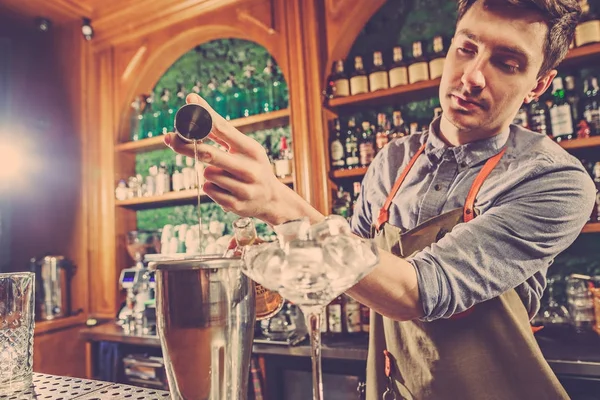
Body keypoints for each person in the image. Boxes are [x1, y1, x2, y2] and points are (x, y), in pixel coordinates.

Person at [164, 0, 596, 397]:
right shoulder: (392, 161)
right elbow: (345, 273)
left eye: (507, 63)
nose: (473, 77)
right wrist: (270, 259)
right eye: (466, 48)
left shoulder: (554, 181)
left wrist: (281, 203)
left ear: (539, 84)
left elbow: (419, 293)